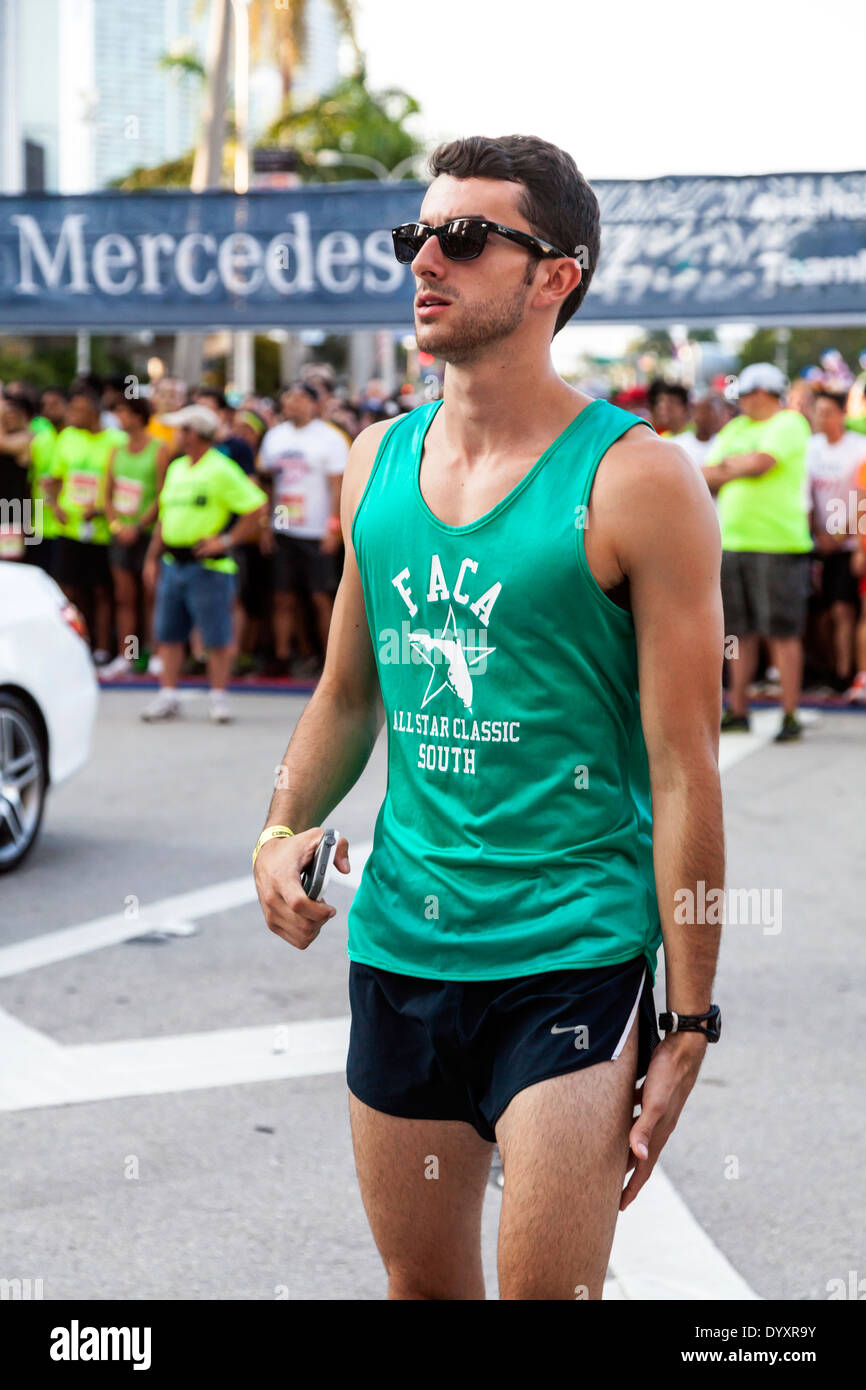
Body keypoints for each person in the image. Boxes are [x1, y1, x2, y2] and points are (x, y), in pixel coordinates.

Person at [253, 133, 724, 1301]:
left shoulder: (636, 479)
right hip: (402, 947)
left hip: (568, 954)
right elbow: (349, 692)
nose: (426, 260)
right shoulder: (375, 462)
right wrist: (279, 830)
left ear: (554, 274)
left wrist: (690, 1018)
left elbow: (682, 770)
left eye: (464, 238)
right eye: (417, 235)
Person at [703, 362, 812, 741]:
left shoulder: (789, 423)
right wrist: (737, 467)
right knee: (737, 633)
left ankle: (790, 712)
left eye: (746, 395)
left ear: (763, 392)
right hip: (732, 541)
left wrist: (730, 466)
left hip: (778, 543)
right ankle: (739, 708)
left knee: (781, 631)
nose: (742, 402)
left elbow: (761, 464)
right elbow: (706, 474)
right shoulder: (737, 427)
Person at [140, 405, 267, 724]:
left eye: (180, 430)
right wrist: (152, 558)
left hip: (208, 564)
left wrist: (225, 541)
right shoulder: (177, 468)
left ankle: (219, 697)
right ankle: (168, 694)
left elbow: (256, 505)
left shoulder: (221, 468)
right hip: (174, 561)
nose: (175, 436)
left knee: (215, 635)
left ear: (193, 433)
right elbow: (165, 517)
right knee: (168, 633)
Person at [257, 381, 348, 677]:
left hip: (316, 529)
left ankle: (331, 660)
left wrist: (333, 528)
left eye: (299, 399)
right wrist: (265, 525)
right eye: (288, 399)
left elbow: (339, 487)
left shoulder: (330, 439)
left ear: (314, 404)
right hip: (284, 526)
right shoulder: (274, 437)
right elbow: (268, 483)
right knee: (283, 595)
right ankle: (284, 655)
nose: (293, 405)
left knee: (321, 596)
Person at [49, 385, 127, 663]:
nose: (72, 415)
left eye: (78, 410)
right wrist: (55, 504)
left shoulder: (116, 440)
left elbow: (124, 482)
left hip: (104, 529)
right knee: (69, 589)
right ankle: (75, 644)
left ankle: (104, 648)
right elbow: (53, 477)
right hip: (70, 527)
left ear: (94, 413)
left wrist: (103, 509)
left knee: (103, 592)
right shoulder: (67, 437)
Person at [101, 397, 169, 680]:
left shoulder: (159, 449)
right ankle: (126, 655)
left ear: (140, 416)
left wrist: (138, 527)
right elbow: (108, 493)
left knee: (151, 596)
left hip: (147, 534)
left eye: (125, 413)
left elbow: (162, 494)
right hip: (121, 533)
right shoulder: (116, 450)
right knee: (124, 597)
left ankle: (154, 653)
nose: (120, 418)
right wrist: (117, 525)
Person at [806, 391, 866, 693]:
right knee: (820, 614)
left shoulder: (859, 447)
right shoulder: (809, 447)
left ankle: (844, 674)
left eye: (829, 412)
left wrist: (842, 535)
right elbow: (805, 495)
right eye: (818, 412)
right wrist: (818, 533)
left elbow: (861, 496)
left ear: (842, 414)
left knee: (844, 610)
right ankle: (825, 669)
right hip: (816, 544)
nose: (822, 418)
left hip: (848, 544)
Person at [27, 386, 67, 574]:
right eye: (45, 405)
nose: (48, 409)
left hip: (68, 527)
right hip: (40, 526)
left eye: (54, 404)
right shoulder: (39, 441)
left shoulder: (74, 439)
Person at [0, 391, 35, 562]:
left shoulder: (27, 438)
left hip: (13, 513)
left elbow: (2, 443)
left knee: (11, 565)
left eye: (12, 413)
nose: (7, 417)